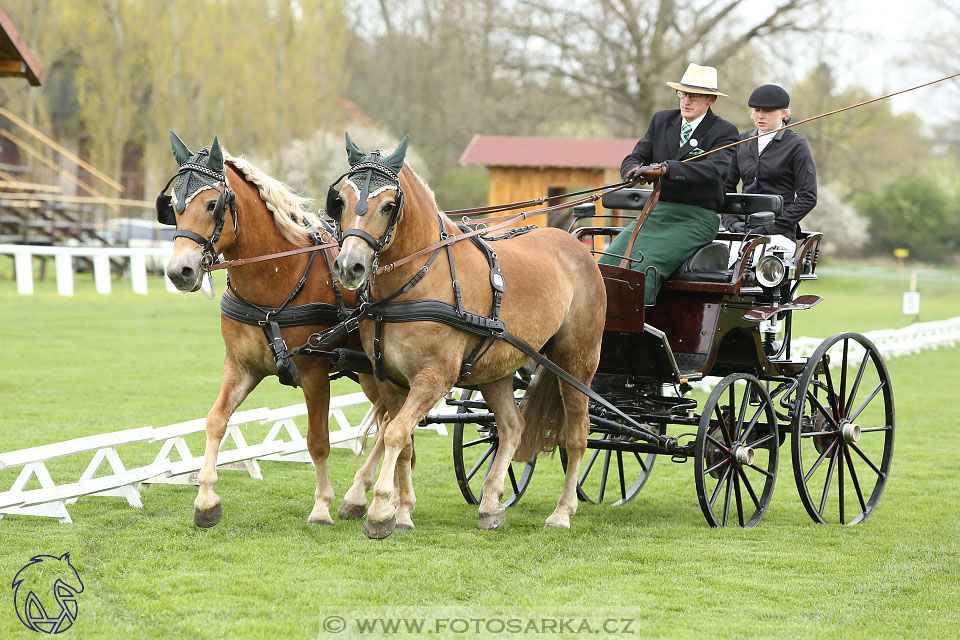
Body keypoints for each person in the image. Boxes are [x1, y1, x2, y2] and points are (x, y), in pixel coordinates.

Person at [599, 63, 739, 306]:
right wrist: (633, 171)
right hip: (656, 213)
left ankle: (636, 332)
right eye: (683, 94)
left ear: (711, 100)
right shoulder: (662, 120)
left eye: (694, 96)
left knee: (645, 265)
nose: (686, 101)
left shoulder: (724, 131)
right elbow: (635, 156)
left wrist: (666, 169)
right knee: (607, 262)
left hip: (697, 218)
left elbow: (713, 169)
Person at [723, 84, 817, 252]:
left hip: (779, 234)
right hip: (740, 231)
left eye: (767, 111)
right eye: (757, 110)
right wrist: (731, 222)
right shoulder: (742, 141)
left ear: (784, 113)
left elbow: (808, 197)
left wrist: (770, 227)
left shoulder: (797, 145)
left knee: (753, 258)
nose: (760, 116)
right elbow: (725, 187)